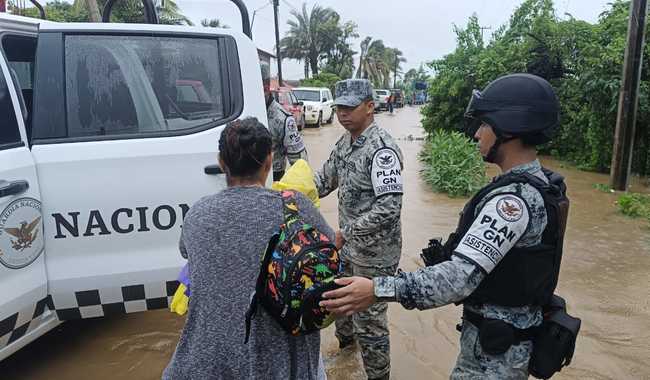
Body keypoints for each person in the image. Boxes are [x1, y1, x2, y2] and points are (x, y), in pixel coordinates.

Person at [320, 73, 569, 379]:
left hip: (495, 356)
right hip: (493, 341)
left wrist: (379, 289)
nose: (477, 134)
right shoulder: (523, 187)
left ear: (510, 128)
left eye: (485, 124)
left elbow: (457, 278)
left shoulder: (513, 203)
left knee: (371, 328)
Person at [163, 117, 332, 380]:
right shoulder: (295, 206)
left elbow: (187, 251)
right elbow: (328, 250)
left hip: (203, 366)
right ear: (269, 161)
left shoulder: (198, 214)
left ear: (222, 163)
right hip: (283, 366)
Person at [314, 79, 404, 380]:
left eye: (350, 108)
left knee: (370, 321)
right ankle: (345, 356)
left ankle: (378, 376)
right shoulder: (344, 143)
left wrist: (346, 233)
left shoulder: (382, 150)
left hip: (375, 255)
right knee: (339, 304)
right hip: (348, 248)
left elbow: (389, 209)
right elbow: (324, 181)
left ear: (370, 106)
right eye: (339, 108)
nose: (342, 114)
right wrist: (290, 195)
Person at [262, 66, 308, 181]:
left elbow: (300, 165)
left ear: (266, 88)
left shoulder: (282, 119)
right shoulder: (237, 111)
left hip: (273, 179)